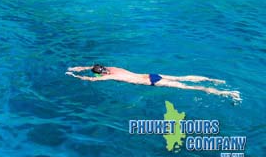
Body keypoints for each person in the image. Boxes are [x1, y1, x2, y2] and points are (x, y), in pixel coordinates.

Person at [66, 64, 240, 100]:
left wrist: (75, 75)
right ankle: (214, 80)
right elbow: (92, 67)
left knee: (191, 88)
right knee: (184, 78)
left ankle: (227, 93)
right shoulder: (113, 69)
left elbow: (90, 78)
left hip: (152, 83)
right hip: (151, 74)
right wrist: (79, 67)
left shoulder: (108, 77)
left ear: (99, 74)